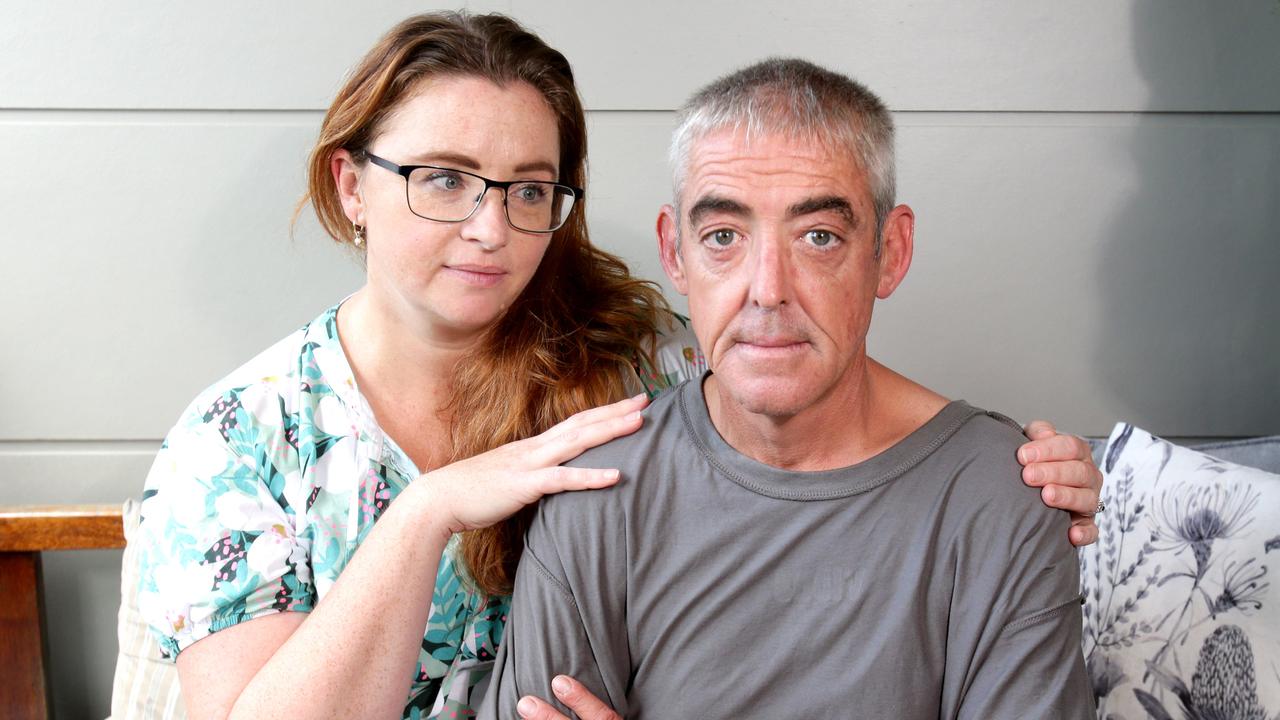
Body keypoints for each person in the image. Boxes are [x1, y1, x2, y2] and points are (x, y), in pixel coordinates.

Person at [135, 13, 1102, 720]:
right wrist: (424, 514)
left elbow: (808, 381)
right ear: (353, 187)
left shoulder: (638, 357)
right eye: (442, 179)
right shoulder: (238, 443)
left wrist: (1020, 471)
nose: (489, 226)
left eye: (528, 190)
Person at [481, 59, 1094, 719]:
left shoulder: (1002, 497)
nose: (768, 289)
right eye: (723, 237)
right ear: (675, 253)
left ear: (890, 251)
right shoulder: (598, 490)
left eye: (818, 237)